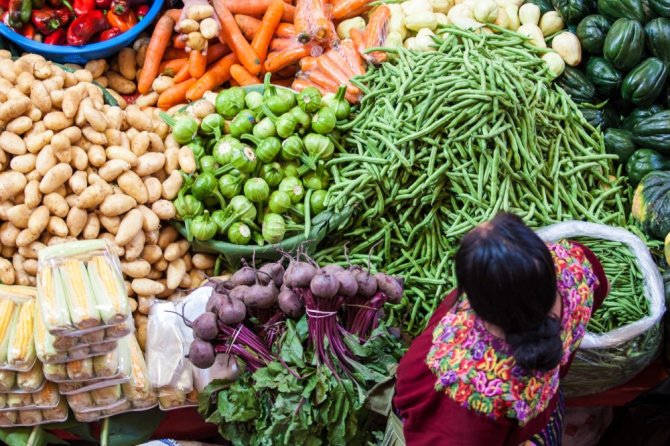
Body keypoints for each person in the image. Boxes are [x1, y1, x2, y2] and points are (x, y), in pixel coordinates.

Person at [394, 213, 609, 445]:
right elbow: (600, 286)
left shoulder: (468, 391)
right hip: (539, 411)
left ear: (477, 303)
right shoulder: (577, 269)